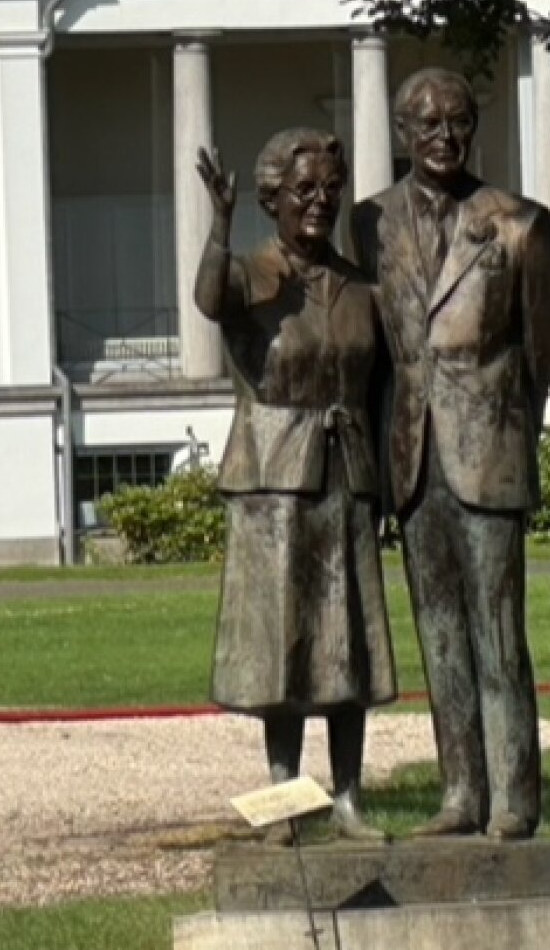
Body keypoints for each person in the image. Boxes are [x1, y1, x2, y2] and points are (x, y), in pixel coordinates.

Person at [351, 67, 550, 842]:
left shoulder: (519, 224)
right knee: (438, 630)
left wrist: (511, 430)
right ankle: (460, 792)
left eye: (458, 122)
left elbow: (543, 348)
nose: (444, 138)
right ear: (403, 133)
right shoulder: (367, 223)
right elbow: (375, 352)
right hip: (411, 452)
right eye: (427, 125)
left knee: (498, 631)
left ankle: (514, 796)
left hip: (489, 447)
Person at [194, 128, 396, 843]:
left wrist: (388, 486)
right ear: (273, 199)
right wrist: (220, 223)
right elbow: (210, 298)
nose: (319, 202)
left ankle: (347, 800)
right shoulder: (255, 274)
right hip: (274, 479)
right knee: (283, 644)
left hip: (348, 475)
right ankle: (285, 799)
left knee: (349, 643)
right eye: (303, 191)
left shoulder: (358, 284)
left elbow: (382, 389)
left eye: (329, 191)